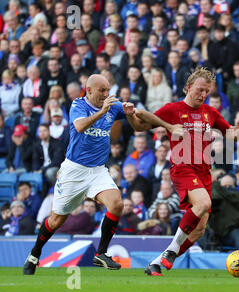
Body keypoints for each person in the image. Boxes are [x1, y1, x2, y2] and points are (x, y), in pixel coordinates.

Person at [23, 74, 182, 275]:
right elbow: (80, 126)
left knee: (117, 204)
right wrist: (103, 111)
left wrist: (161, 124)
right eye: (102, 91)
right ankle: (35, 253)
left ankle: (101, 253)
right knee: (56, 221)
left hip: (98, 170)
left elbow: (140, 121)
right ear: (89, 90)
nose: (106, 94)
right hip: (74, 171)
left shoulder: (112, 106)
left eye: (108, 90)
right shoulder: (78, 105)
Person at [134, 67, 239, 276]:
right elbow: (141, 120)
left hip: (204, 172)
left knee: (199, 230)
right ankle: (171, 251)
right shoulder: (173, 109)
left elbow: (232, 136)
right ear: (188, 87)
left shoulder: (210, 112)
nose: (203, 95)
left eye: (207, 91)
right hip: (183, 167)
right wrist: (167, 126)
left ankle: (156, 263)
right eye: (200, 90)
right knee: (204, 203)